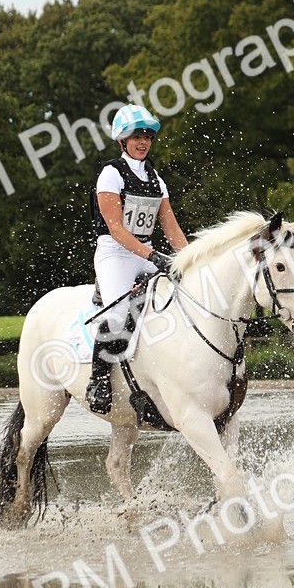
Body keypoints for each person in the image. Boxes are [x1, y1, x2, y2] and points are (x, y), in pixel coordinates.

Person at [86, 103, 188, 414]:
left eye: (147, 136)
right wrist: (154, 256)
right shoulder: (111, 174)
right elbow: (116, 230)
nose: (143, 142)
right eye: (136, 136)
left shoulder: (157, 180)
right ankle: (98, 381)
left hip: (144, 251)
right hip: (115, 253)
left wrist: (190, 259)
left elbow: (171, 229)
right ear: (122, 141)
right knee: (118, 315)